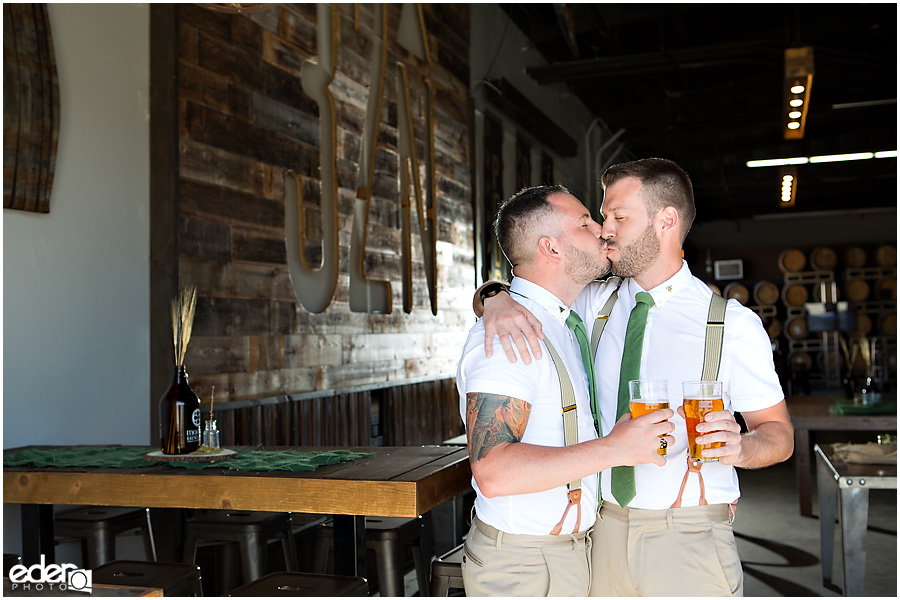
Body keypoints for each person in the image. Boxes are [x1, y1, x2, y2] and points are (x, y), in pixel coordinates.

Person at [475, 159, 794, 597]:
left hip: (687, 536)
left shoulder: (731, 324)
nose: (606, 230)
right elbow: (536, 289)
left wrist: (743, 447)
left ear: (666, 220)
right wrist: (494, 297)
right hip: (598, 534)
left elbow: (779, 435)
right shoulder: (592, 303)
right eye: (602, 217)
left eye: (618, 217)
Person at [457, 184, 675, 597]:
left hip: (569, 553)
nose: (601, 229)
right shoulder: (508, 337)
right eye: (585, 222)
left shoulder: (562, 320)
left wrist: (491, 293)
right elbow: (493, 471)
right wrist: (618, 449)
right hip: (525, 564)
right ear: (551, 248)